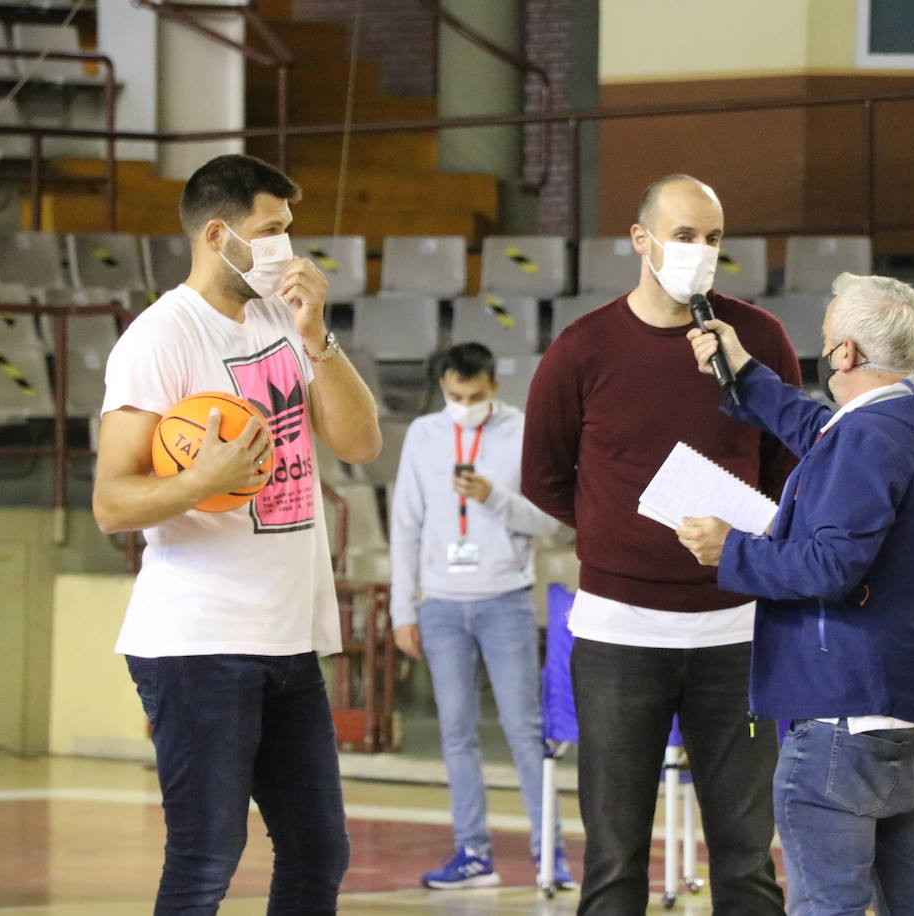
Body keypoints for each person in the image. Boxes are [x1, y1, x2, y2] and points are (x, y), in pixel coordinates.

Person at [92, 153, 382, 914]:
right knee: (205, 859)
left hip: (288, 636)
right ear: (219, 235)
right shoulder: (160, 337)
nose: (289, 246)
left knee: (320, 852)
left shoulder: (282, 319)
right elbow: (111, 502)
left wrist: (317, 333)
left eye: (291, 229)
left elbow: (359, 445)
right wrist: (200, 482)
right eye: (273, 230)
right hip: (198, 642)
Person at [521, 174, 797, 915]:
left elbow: (787, 471)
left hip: (737, 630)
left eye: (712, 239)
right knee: (614, 862)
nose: (700, 253)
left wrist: (738, 539)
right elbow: (543, 477)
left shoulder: (758, 339)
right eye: (684, 236)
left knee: (747, 859)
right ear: (642, 241)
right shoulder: (582, 349)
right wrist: (618, 532)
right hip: (618, 631)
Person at [678, 272, 914, 915]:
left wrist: (730, 550)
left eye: (825, 338)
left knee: (827, 904)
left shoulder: (867, 440)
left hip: (847, 714)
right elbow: (822, 430)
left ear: (843, 354)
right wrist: (745, 371)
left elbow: (830, 565)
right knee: (913, 900)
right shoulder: (907, 429)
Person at [390, 342, 573, 890]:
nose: (463, 405)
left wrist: (494, 497)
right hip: (441, 604)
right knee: (456, 732)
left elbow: (552, 525)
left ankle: (551, 856)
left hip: (505, 599)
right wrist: (404, 608)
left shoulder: (523, 432)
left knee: (524, 730)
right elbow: (405, 525)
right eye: (452, 396)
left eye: (473, 396)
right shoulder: (423, 435)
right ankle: (472, 852)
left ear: (494, 386)